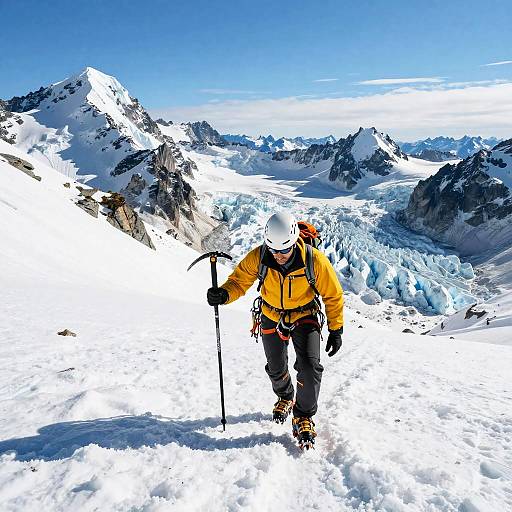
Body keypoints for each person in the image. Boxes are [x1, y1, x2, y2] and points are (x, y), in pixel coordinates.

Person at [206, 212, 344, 447]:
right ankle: (285, 396)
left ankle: (303, 416)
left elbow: (333, 295)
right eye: (274, 250)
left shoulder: (314, 260)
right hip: (270, 313)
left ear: (294, 241)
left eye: (284, 250)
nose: (278, 256)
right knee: (276, 367)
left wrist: (336, 329)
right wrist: (225, 294)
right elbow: (240, 281)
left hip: (305, 315)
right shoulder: (259, 257)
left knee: (310, 369)